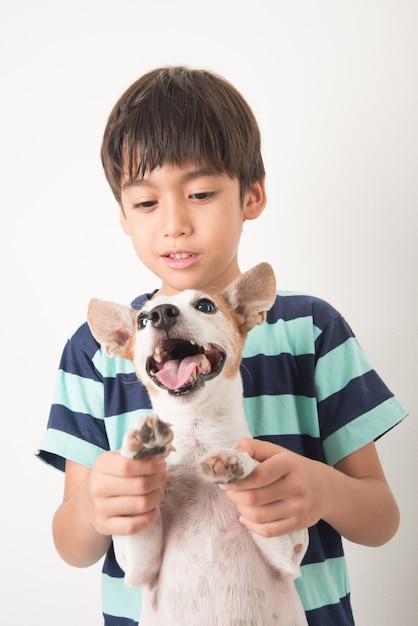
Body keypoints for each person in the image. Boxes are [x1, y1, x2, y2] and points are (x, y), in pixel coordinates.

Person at [37, 66, 407, 626]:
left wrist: (320, 491)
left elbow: (382, 520)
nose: (175, 224)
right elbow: (74, 545)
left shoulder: (312, 330)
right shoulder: (92, 354)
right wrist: (95, 506)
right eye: (145, 203)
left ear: (252, 194)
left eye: (201, 193)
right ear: (122, 216)